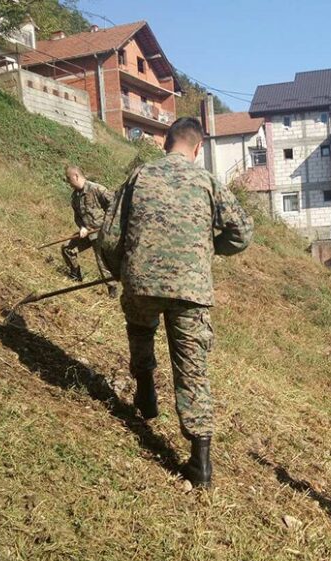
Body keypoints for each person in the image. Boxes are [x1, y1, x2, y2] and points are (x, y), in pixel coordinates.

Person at [98, 117, 254, 488]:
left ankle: (146, 393)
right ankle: (200, 464)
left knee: (140, 330)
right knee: (192, 368)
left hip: (141, 283)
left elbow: (107, 236)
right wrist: (205, 250)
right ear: (198, 148)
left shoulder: (139, 177)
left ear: (165, 142)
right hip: (191, 289)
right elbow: (243, 232)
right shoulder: (207, 181)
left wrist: (125, 271)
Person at [62, 166, 118, 298]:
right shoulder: (75, 197)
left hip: (101, 233)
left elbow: (114, 205)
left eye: (69, 179)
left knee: (102, 263)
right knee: (67, 248)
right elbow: (77, 216)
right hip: (86, 233)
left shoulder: (97, 189)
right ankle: (76, 274)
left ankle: (112, 290)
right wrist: (82, 227)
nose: (69, 183)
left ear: (76, 176)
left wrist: (107, 223)